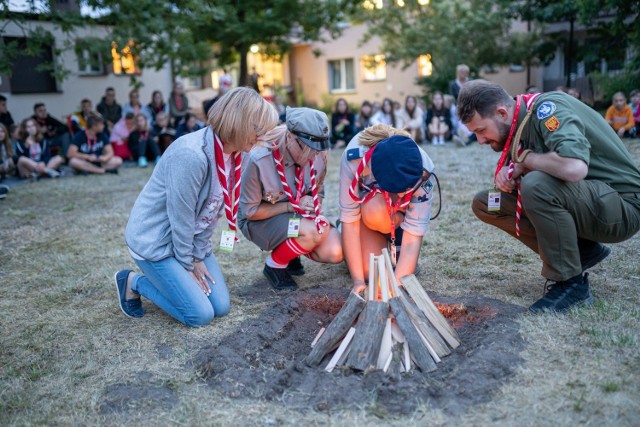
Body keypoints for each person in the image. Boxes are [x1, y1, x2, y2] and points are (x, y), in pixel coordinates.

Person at [458, 79, 640, 313]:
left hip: (623, 205)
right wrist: (511, 175)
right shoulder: (519, 123)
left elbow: (574, 168)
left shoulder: (547, 109)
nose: (480, 140)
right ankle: (582, 250)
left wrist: (525, 161)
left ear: (502, 113)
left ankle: (571, 284)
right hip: (589, 201)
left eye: (481, 130)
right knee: (487, 203)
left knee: (536, 185)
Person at [115, 87, 278, 325]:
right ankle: (132, 282)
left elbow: (211, 213)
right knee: (199, 315)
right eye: (259, 129)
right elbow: (180, 218)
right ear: (239, 122)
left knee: (220, 306)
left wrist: (199, 253)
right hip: (157, 242)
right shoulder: (191, 155)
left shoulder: (238, 155)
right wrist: (189, 263)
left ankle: (180, 279)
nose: (263, 136)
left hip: (188, 240)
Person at [239, 107, 343, 290]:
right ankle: (274, 266)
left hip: (296, 215)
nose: (312, 156)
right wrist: (291, 206)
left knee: (335, 252)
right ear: (289, 136)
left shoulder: (319, 153)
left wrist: (314, 205)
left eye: (317, 150)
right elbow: (250, 212)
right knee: (314, 231)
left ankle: (291, 251)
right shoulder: (259, 158)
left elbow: (318, 190)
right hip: (260, 220)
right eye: (306, 148)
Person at [339, 125, 436, 294]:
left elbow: (415, 231)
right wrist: (358, 281)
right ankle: (374, 238)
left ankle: (397, 240)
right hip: (369, 214)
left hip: (399, 218)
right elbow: (350, 219)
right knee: (371, 273)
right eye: (393, 192)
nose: (397, 197)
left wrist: (396, 289)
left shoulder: (424, 169)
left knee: (390, 280)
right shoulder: (354, 158)